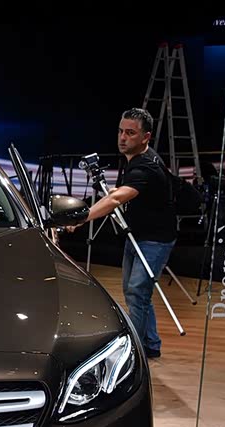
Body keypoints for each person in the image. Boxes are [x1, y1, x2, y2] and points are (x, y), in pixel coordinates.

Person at [69, 107, 176, 358]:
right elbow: (120, 193)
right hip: (137, 235)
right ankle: (151, 344)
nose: (122, 138)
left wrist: (83, 217)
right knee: (136, 293)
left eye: (130, 133)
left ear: (146, 137)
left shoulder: (146, 167)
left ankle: (133, 353)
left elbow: (117, 198)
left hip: (154, 240)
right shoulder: (135, 160)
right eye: (120, 131)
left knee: (137, 293)